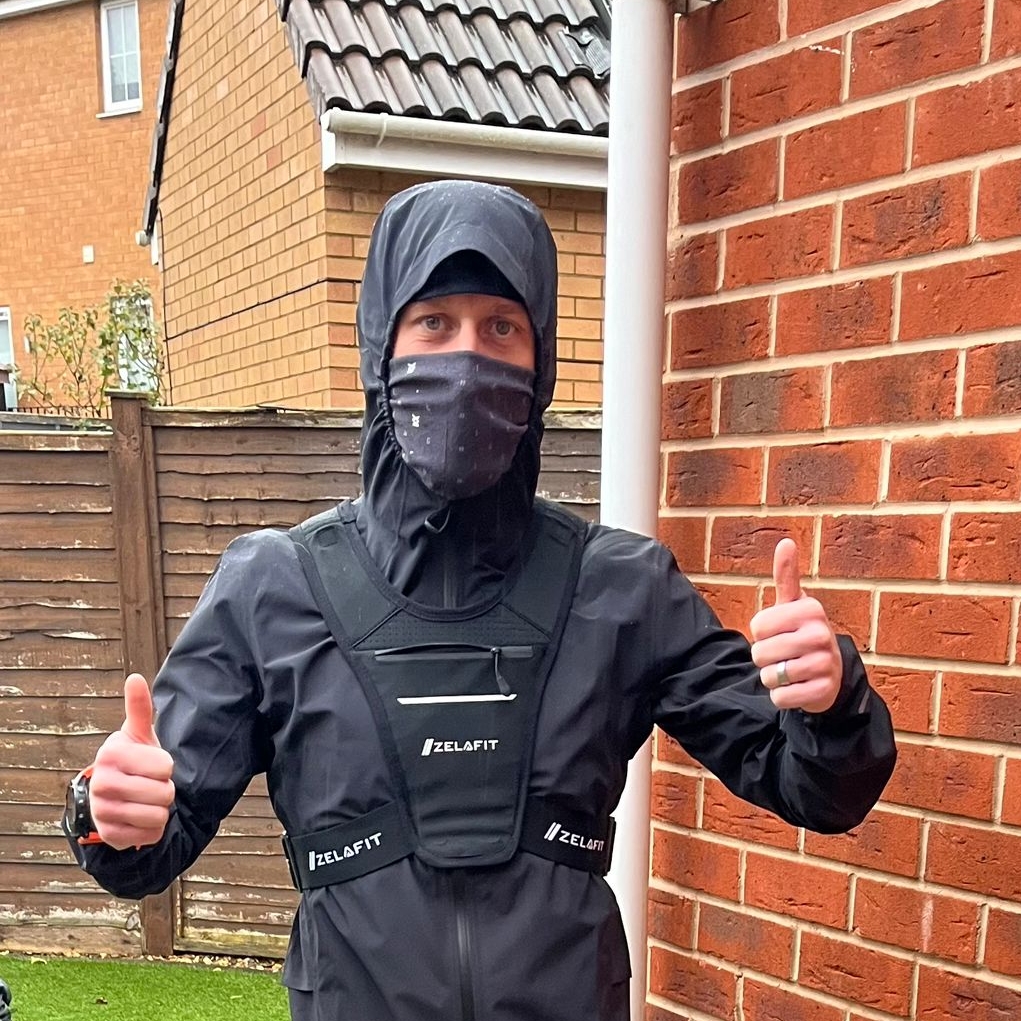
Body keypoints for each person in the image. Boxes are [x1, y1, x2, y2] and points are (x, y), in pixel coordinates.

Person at [63, 180, 896, 1021]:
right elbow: (143, 849)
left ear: (540, 363)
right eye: (434, 324)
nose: (466, 360)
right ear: (379, 350)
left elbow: (815, 789)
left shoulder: (621, 588)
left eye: (501, 328)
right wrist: (107, 811)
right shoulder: (273, 586)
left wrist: (829, 703)